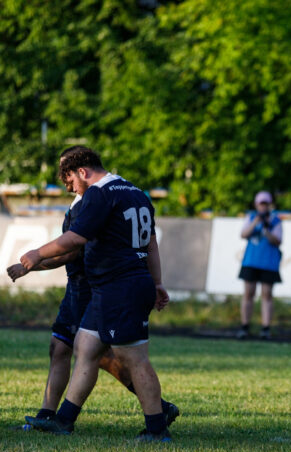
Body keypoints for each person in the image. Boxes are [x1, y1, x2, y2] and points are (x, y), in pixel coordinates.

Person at [7, 148, 178, 432]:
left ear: (83, 171)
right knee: (85, 347)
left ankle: (157, 429)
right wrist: (157, 282)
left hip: (121, 286)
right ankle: (63, 420)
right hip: (112, 287)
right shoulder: (136, 192)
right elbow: (151, 244)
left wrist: (37, 253)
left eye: (71, 180)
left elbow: (76, 238)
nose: (71, 188)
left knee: (133, 359)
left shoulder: (100, 193)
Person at [237, 190, 282, 340]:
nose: (263, 207)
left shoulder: (276, 221)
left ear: (269, 205)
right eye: (261, 204)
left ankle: (265, 328)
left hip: (269, 263)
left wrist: (265, 228)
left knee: (266, 295)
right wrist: (256, 222)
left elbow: (277, 240)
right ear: (256, 205)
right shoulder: (251, 218)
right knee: (248, 294)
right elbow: (243, 234)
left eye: (266, 204)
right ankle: (245, 326)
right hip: (251, 261)